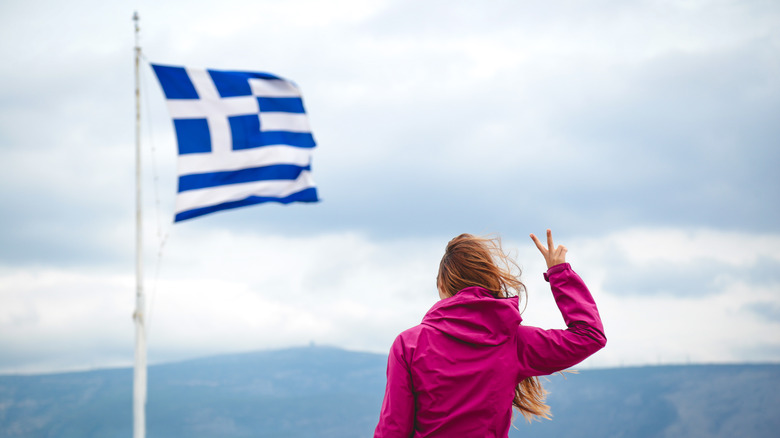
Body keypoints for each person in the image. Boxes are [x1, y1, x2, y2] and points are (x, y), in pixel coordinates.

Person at [373, 229, 606, 438]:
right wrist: (560, 273)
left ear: (443, 287)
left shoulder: (408, 345)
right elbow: (589, 335)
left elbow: (393, 429)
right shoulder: (514, 341)